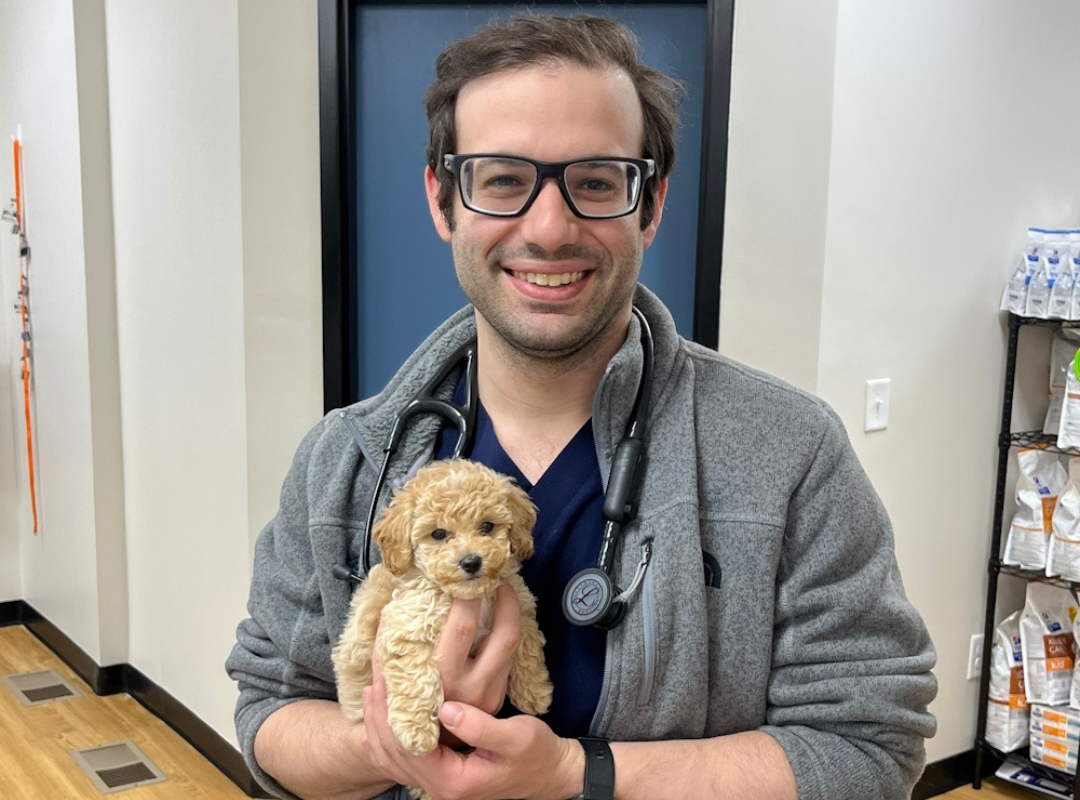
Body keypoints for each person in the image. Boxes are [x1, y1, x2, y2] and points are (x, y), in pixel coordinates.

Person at [226, 13, 937, 800]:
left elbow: (868, 749)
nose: (549, 227)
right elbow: (271, 712)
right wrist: (388, 741)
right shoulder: (344, 461)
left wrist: (578, 774)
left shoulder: (790, 453)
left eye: (596, 182)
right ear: (442, 200)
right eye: (501, 179)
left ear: (652, 203)